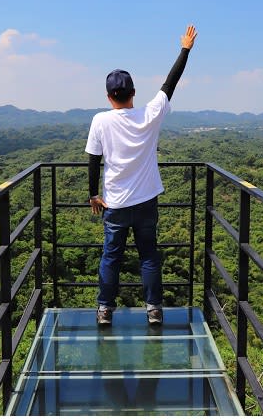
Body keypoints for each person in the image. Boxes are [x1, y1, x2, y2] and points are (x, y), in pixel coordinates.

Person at [85, 24, 198, 326]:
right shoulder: (150, 114)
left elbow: (93, 160)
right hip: (146, 201)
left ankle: (105, 309)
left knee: (111, 257)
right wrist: (184, 48)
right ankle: (154, 309)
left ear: (109, 96)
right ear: (134, 93)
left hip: (116, 204)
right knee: (149, 255)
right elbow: (170, 83)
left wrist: (93, 193)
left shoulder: (100, 121)